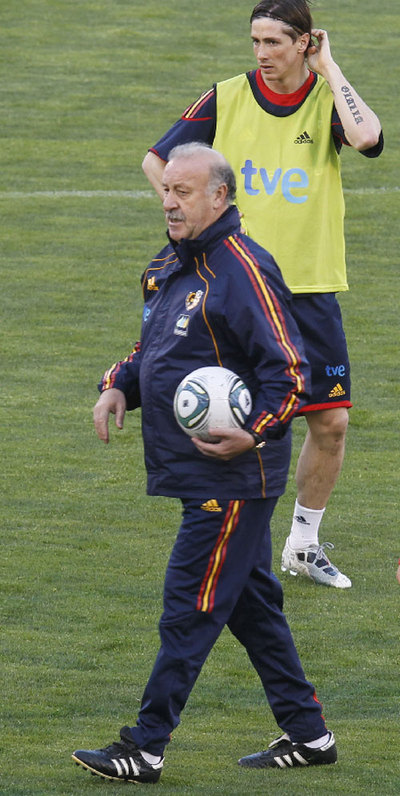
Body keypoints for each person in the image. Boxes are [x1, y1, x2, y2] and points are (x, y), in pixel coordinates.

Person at [72, 144, 337, 784]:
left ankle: (146, 745)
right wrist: (118, 384)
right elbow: (155, 345)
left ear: (219, 197)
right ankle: (310, 735)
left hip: (237, 476)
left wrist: (257, 434)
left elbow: (290, 369)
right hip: (197, 470)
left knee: (189, 603)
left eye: (183, 192)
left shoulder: (243, 270)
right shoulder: (170, 265)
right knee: (251, 608)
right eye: (166, 190)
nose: (169, 201)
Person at [142, 0, 384, 589]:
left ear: (305, 43)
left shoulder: (326, 97)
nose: (262, 54)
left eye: (275, 42)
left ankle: (303, 543)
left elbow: (370, 138)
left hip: (309, 286)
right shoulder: (227, 95)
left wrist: (331, 68)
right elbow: (157, 160)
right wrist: (195, 211)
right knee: (235, 414)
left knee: (330, 425)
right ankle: (227, 534)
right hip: (242, 288)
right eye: (256, 42)